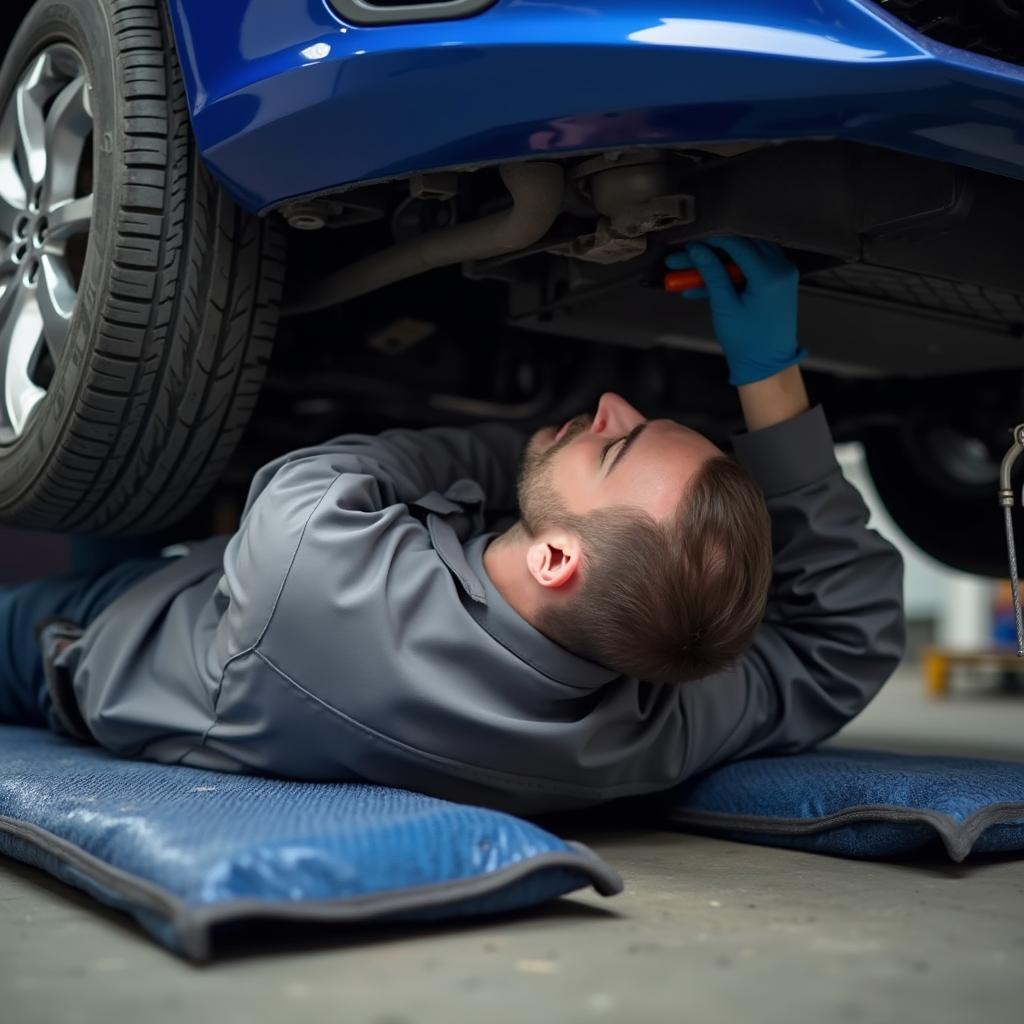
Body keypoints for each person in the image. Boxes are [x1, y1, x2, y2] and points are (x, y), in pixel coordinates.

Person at [0, 238, 905, 813]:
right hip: (226, 615)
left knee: (117, 448)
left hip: (93, 639)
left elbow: (383, 462)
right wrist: (771, 377)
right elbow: (845, 644)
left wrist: (529, 449)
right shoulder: (653, 722)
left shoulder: (316, 560)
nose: (611, 404)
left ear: (556, 558)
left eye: (614, 448)